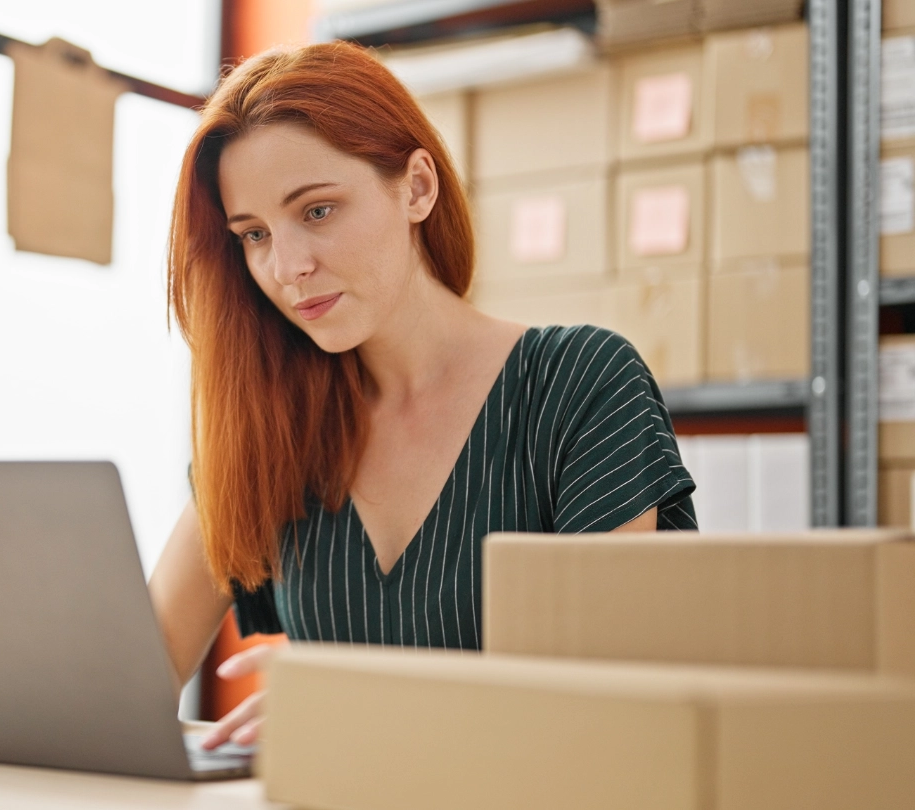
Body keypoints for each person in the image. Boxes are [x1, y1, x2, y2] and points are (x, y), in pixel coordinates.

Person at [148, 41, 697, 751]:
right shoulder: (271, 425)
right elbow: (139, 668)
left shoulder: (580, 382)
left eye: (316, 211)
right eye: (253, 235)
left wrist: (362, 699)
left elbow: (612, 703)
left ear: (417, 188)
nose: (287, 267)